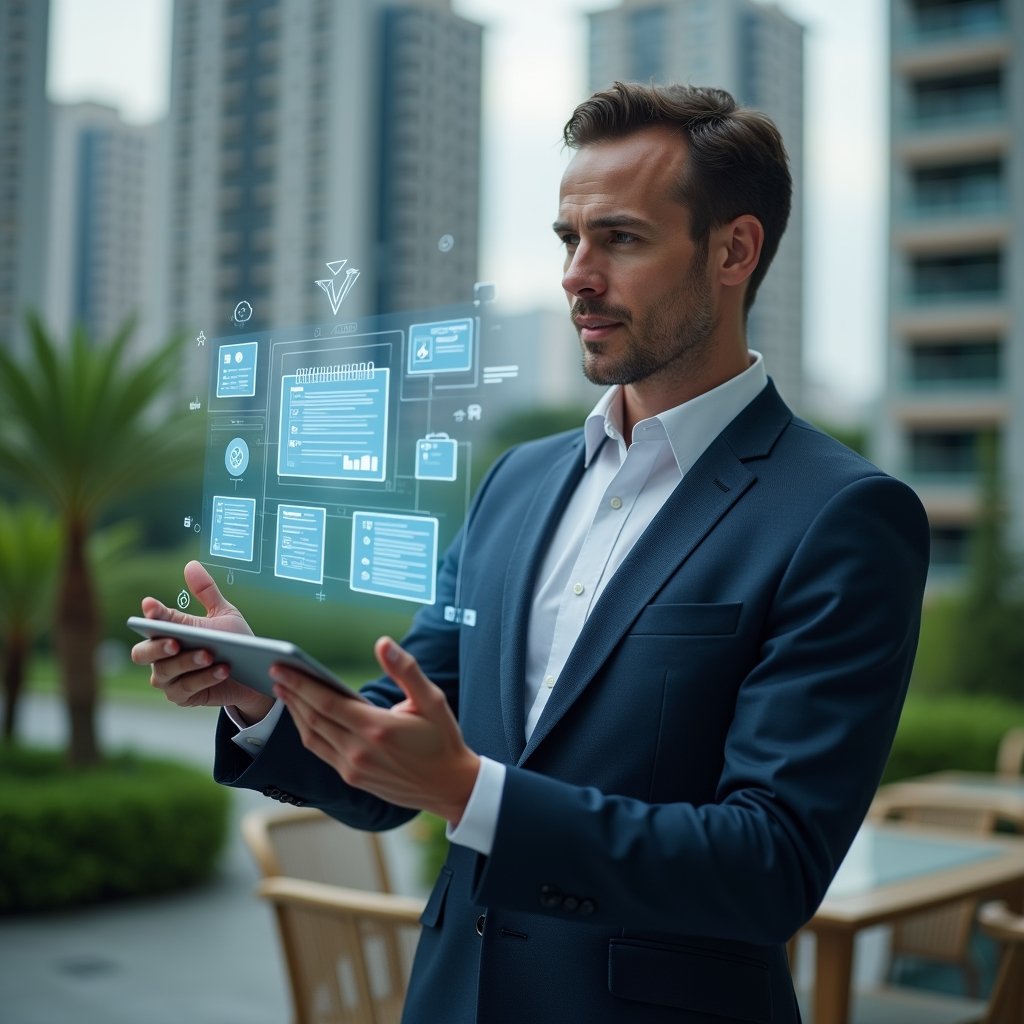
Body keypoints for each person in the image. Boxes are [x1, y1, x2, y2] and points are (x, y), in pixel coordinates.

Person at [133, 82, 929, 1023]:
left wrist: (472, 793)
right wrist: (265, 695)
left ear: (734, 249)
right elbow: (408, 734)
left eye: (620, 239)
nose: (576, 276)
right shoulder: (519, 480)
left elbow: (768, 866)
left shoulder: (844, 516)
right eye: (568, 240)